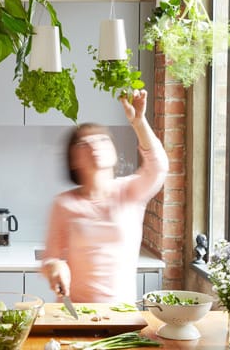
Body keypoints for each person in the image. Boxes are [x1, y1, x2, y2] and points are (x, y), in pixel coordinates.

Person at [41, 89, 169, 303]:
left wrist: (139, 121)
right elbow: (50, 258)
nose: (94, 146)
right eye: (84, 143)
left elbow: (159, 166)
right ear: (72, 159)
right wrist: (55, 267)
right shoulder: (64, 204)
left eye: (101, 139)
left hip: (121, 316)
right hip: (76, 316)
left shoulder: (130, 192)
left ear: (113, 151)